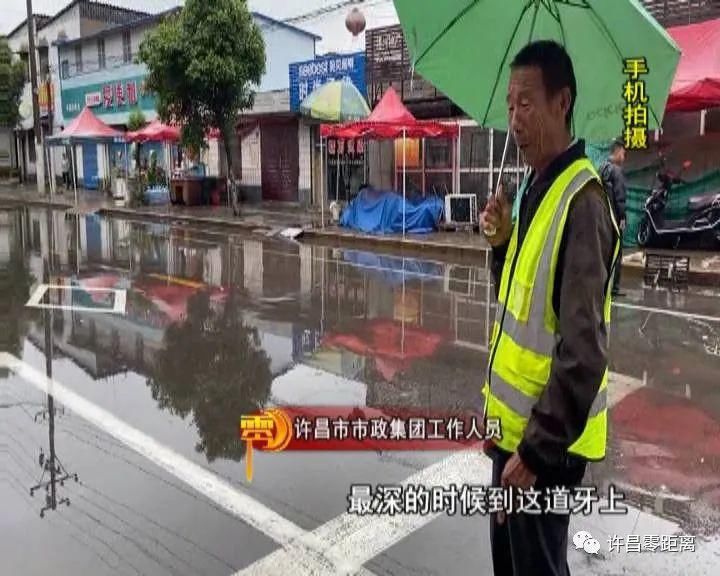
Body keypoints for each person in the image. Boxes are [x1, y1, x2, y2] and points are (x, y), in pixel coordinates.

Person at [479, 40, 621, 576]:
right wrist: (500, 245)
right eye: (510, 104)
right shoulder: (536, 188)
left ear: (561, 104)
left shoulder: (582, 202)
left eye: (527, 103)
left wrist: (535, 454)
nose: (514, 118)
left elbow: (583, 352)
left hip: (544, 452)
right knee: (509, 566)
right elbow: (518, 304)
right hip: (513, 438)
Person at [599, 139, 627, 295]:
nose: (624, 157)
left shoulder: (602, 168)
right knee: (617, 253)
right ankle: (614, 287)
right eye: (623, 153)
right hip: (615, 220)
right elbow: (620, 197)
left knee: (604, 253)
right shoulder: (617, 171)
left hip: (603, 218)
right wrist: (622, 218)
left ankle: (603, 285)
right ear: (617, 151)